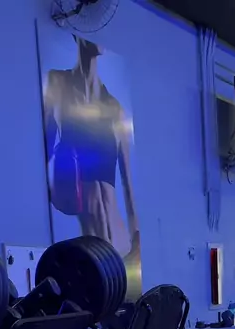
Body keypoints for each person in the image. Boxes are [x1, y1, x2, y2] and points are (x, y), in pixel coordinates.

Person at [44, 38, 141, 296]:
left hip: (121, 249)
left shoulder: (116, 109)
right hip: (89, 254)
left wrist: (137, 241)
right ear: (77, 36)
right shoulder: (58, 83)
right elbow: (44, 153)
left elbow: (129, 187)